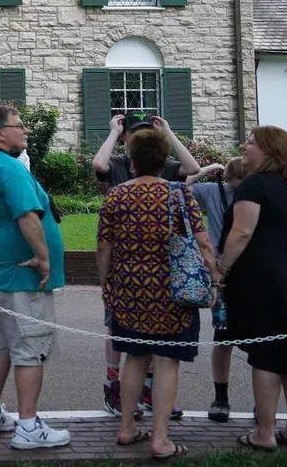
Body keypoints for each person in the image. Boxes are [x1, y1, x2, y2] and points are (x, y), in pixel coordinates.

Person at [96, 128, 217, 461]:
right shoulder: (179, 195)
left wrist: (107, 286)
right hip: (172, 294)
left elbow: (104, 247)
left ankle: (126, 427)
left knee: (135, 358)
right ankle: (160, 438)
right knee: (167, 361)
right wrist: (215, 276)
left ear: (132, 162)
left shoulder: (116, 196)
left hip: (129, 292)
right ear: (164, 160)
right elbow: (202, 241)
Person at [0, 105, 69, 450]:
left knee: (2, 346)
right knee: (29, 350)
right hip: (19, 278)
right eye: (19, 126)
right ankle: (28, 425)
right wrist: (43, 258)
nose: (25, 131)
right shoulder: (9, 169)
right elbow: (27, 215)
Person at [91, 110, 200, 418]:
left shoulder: (160, 166)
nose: (139, 137)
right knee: (117, 329)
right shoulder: (118, 166)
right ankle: (114, 385)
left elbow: (193, 167)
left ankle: (148, 392)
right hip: (125, 264)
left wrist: (168, 134)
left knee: (152, 333)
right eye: (133, 133)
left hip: (159, 265)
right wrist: (114, 132)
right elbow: (98, 164)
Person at [217, 126, 287, 452]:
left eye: (251, 142)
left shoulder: (254, 186)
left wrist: (221, 271)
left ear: (269, 151)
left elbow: (242, 233)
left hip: (265, 281)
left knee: (267, 356)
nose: (244, 146)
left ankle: (265, 433)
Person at [187, 156, 247, 423]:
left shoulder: (258, 193)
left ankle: (225, 399)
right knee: (223, 336)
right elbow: (181, 186)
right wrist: (205, 171)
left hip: (244, 273)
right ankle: (220, 396)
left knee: (241, 338)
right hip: (222, 273)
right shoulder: (215, 191)